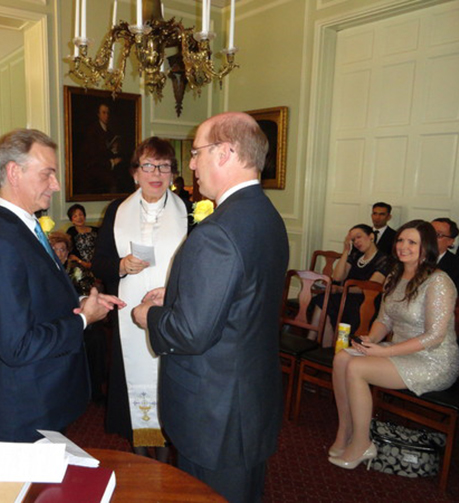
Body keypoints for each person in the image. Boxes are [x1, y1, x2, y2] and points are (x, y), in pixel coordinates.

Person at [132, 112, 289, 502]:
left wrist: (146, 315)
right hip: (248, 399)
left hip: (214, 413)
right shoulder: (266, 216)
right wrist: (183, 291)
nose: (190, 163)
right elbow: (244, 296)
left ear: (226, 153)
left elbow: (190, 333)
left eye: (198, 151)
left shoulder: (217, 231)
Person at [0, 128, 124, 442]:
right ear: (14, 172)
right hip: (26, 406)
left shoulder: (22, 228)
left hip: (45, 395)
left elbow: (35, 297)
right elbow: (17, 345)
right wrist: (83, 319)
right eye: (47, 174)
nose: (56, 185)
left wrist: (83, 300)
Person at [329, 220, 459, 470]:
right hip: (399, 352)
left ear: (426, 247)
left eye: (412, 242)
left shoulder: (439, 281)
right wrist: (372, 339)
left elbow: (434, 336)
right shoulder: (395, 275)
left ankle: (361, 442)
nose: (403, 246)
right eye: (401, 240)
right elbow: (384, 319)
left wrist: (386, 350)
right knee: (342, 358)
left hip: (434, 361)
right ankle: (344, 430)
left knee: (357, 368)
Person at [93, 136, 188, 460]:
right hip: (129, 316)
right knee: (132, 380)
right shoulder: (117, 211)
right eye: (148, 165)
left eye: (163, 166)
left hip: (172, 314)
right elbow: (100, 261)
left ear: (173, 173)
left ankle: (163, 456)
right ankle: (140, 456)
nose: (156, 173)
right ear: (135, 173)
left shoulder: (187, 210)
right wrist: (120, 265)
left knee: (168, 381)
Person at [310, 224, 389, 346]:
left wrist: (341, 289)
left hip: (366, 303)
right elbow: (337, 277)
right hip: (347, 296)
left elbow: (369, 288)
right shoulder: (356, 255)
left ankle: (319, 344)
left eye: (359, 237)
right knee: (322, 301)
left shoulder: (383, 259)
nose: (356, 242)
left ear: (371, 236)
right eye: (353, 240)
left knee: (326, 303)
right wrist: (346, 250)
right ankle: (318, 344)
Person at [49, 231, 104, 403]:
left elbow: (86, 292)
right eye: (55, 250)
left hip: (79, 317)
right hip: (56, 322)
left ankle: (95, 388)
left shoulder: (75, 270)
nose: (59, 254)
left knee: (97, 337)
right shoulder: (44, 271)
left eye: (63, 250)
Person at [432, 217, 459, 298]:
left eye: (438, 235)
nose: (430, 238)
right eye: (427, 233)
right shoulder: (409, 260)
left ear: (450, 241)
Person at [65, 204, 98, 269]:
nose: (79, 218)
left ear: (84, 216)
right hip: (79, 266)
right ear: (71, 220)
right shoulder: (71, 232)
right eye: (75, 216)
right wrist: (81, 262)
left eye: (81, 214)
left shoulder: (96, 231)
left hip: (97, 264)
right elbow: (71, 253)